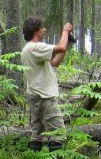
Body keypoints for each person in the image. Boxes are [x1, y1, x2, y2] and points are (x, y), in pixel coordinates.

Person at [21, 16, 73, 150]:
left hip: (35, 94)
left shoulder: (29, 49)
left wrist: (66, 43)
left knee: (37, 133)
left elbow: (55, 62)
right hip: (44, 97)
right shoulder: (35, 47)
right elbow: (60, 47)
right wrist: (65, 31)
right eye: (42, 27)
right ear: (36, 30)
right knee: (58, 132)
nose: (44, 30)